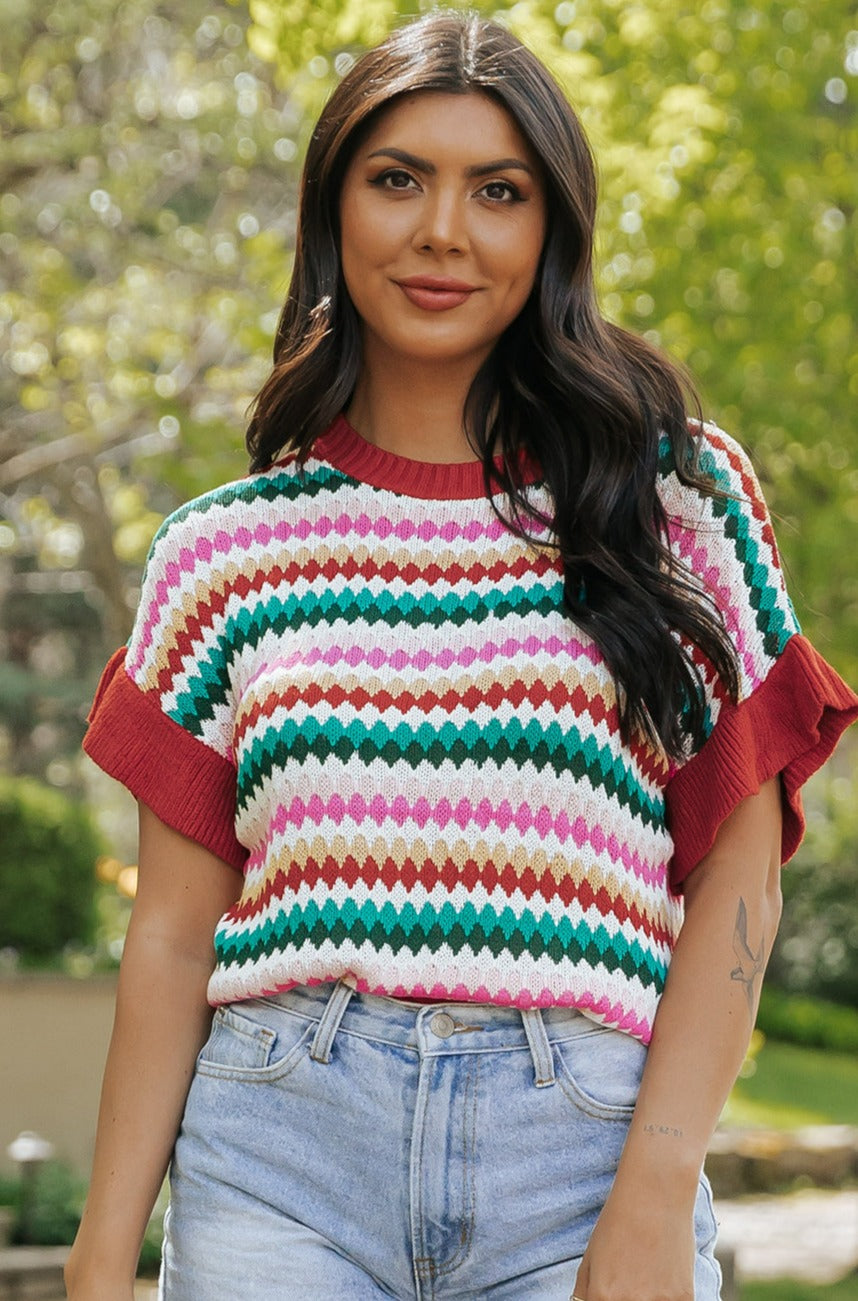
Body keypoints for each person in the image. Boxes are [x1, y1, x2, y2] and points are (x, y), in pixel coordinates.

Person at [65, 11, 858, 1301]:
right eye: (399, 181)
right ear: (335, 214)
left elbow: (741, 888)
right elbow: (169, 935)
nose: (446, 231)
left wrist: (656, 1200)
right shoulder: (217, 557)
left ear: (553, 232)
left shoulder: (677, 505)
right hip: (282, 1160)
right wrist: (101, 1257)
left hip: (584, 1160)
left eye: (500, 191)